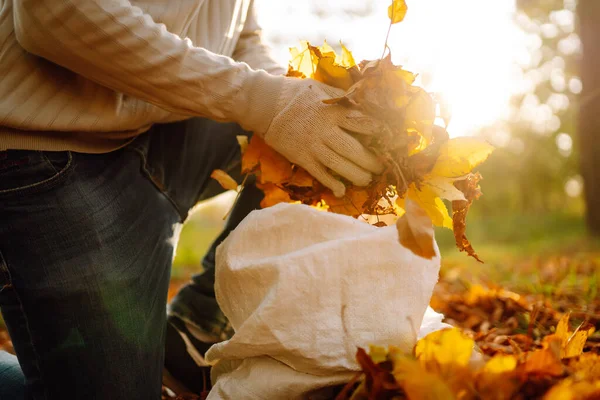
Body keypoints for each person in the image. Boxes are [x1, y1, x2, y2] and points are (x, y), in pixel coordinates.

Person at [0, 0, 384, 398]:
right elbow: (55, 14)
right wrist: (267, 102)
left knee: (301, 157)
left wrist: (292, 98)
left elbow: (243, 38)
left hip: (154, 131)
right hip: (44, 158)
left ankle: (197, 325)